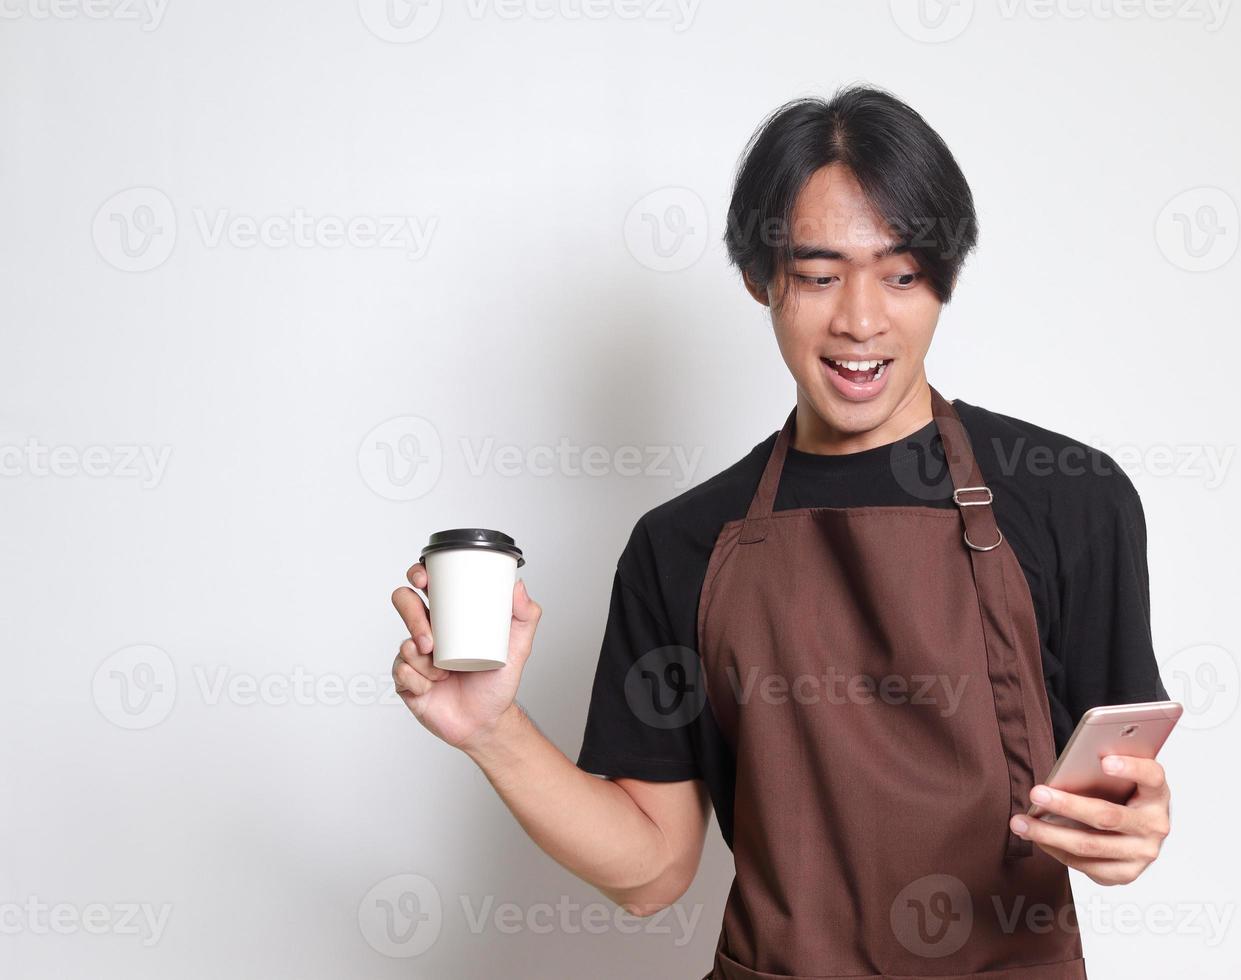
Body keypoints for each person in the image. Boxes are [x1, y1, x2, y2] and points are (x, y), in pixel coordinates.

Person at [390, 84, 1172, 979]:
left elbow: (1115, 796)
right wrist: (492, 730)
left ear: (943, 280)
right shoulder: (681, 545)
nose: (862, 318)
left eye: (903, 273)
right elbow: (652, 871)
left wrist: (1132, 829)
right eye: (818, 274)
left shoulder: (1073, 500)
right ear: (762, 278)